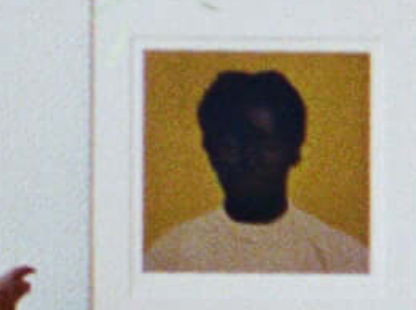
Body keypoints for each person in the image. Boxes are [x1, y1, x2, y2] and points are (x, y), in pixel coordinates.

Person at [145, 66, 369, 273]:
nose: (249, 159)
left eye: (265, 144)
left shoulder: (343, 258)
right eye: (232, 145)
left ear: (295, 150)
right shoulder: (169, 257)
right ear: (210, 151)